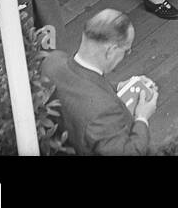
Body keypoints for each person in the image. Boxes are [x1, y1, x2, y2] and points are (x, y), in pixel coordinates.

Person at [42, 9, 157, 155]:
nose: (126, 55)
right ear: (111, 51)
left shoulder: (52, 61)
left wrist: (119, 87)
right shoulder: (104, 112)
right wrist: (142, 118)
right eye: (126, 51)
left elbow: (82, 84)